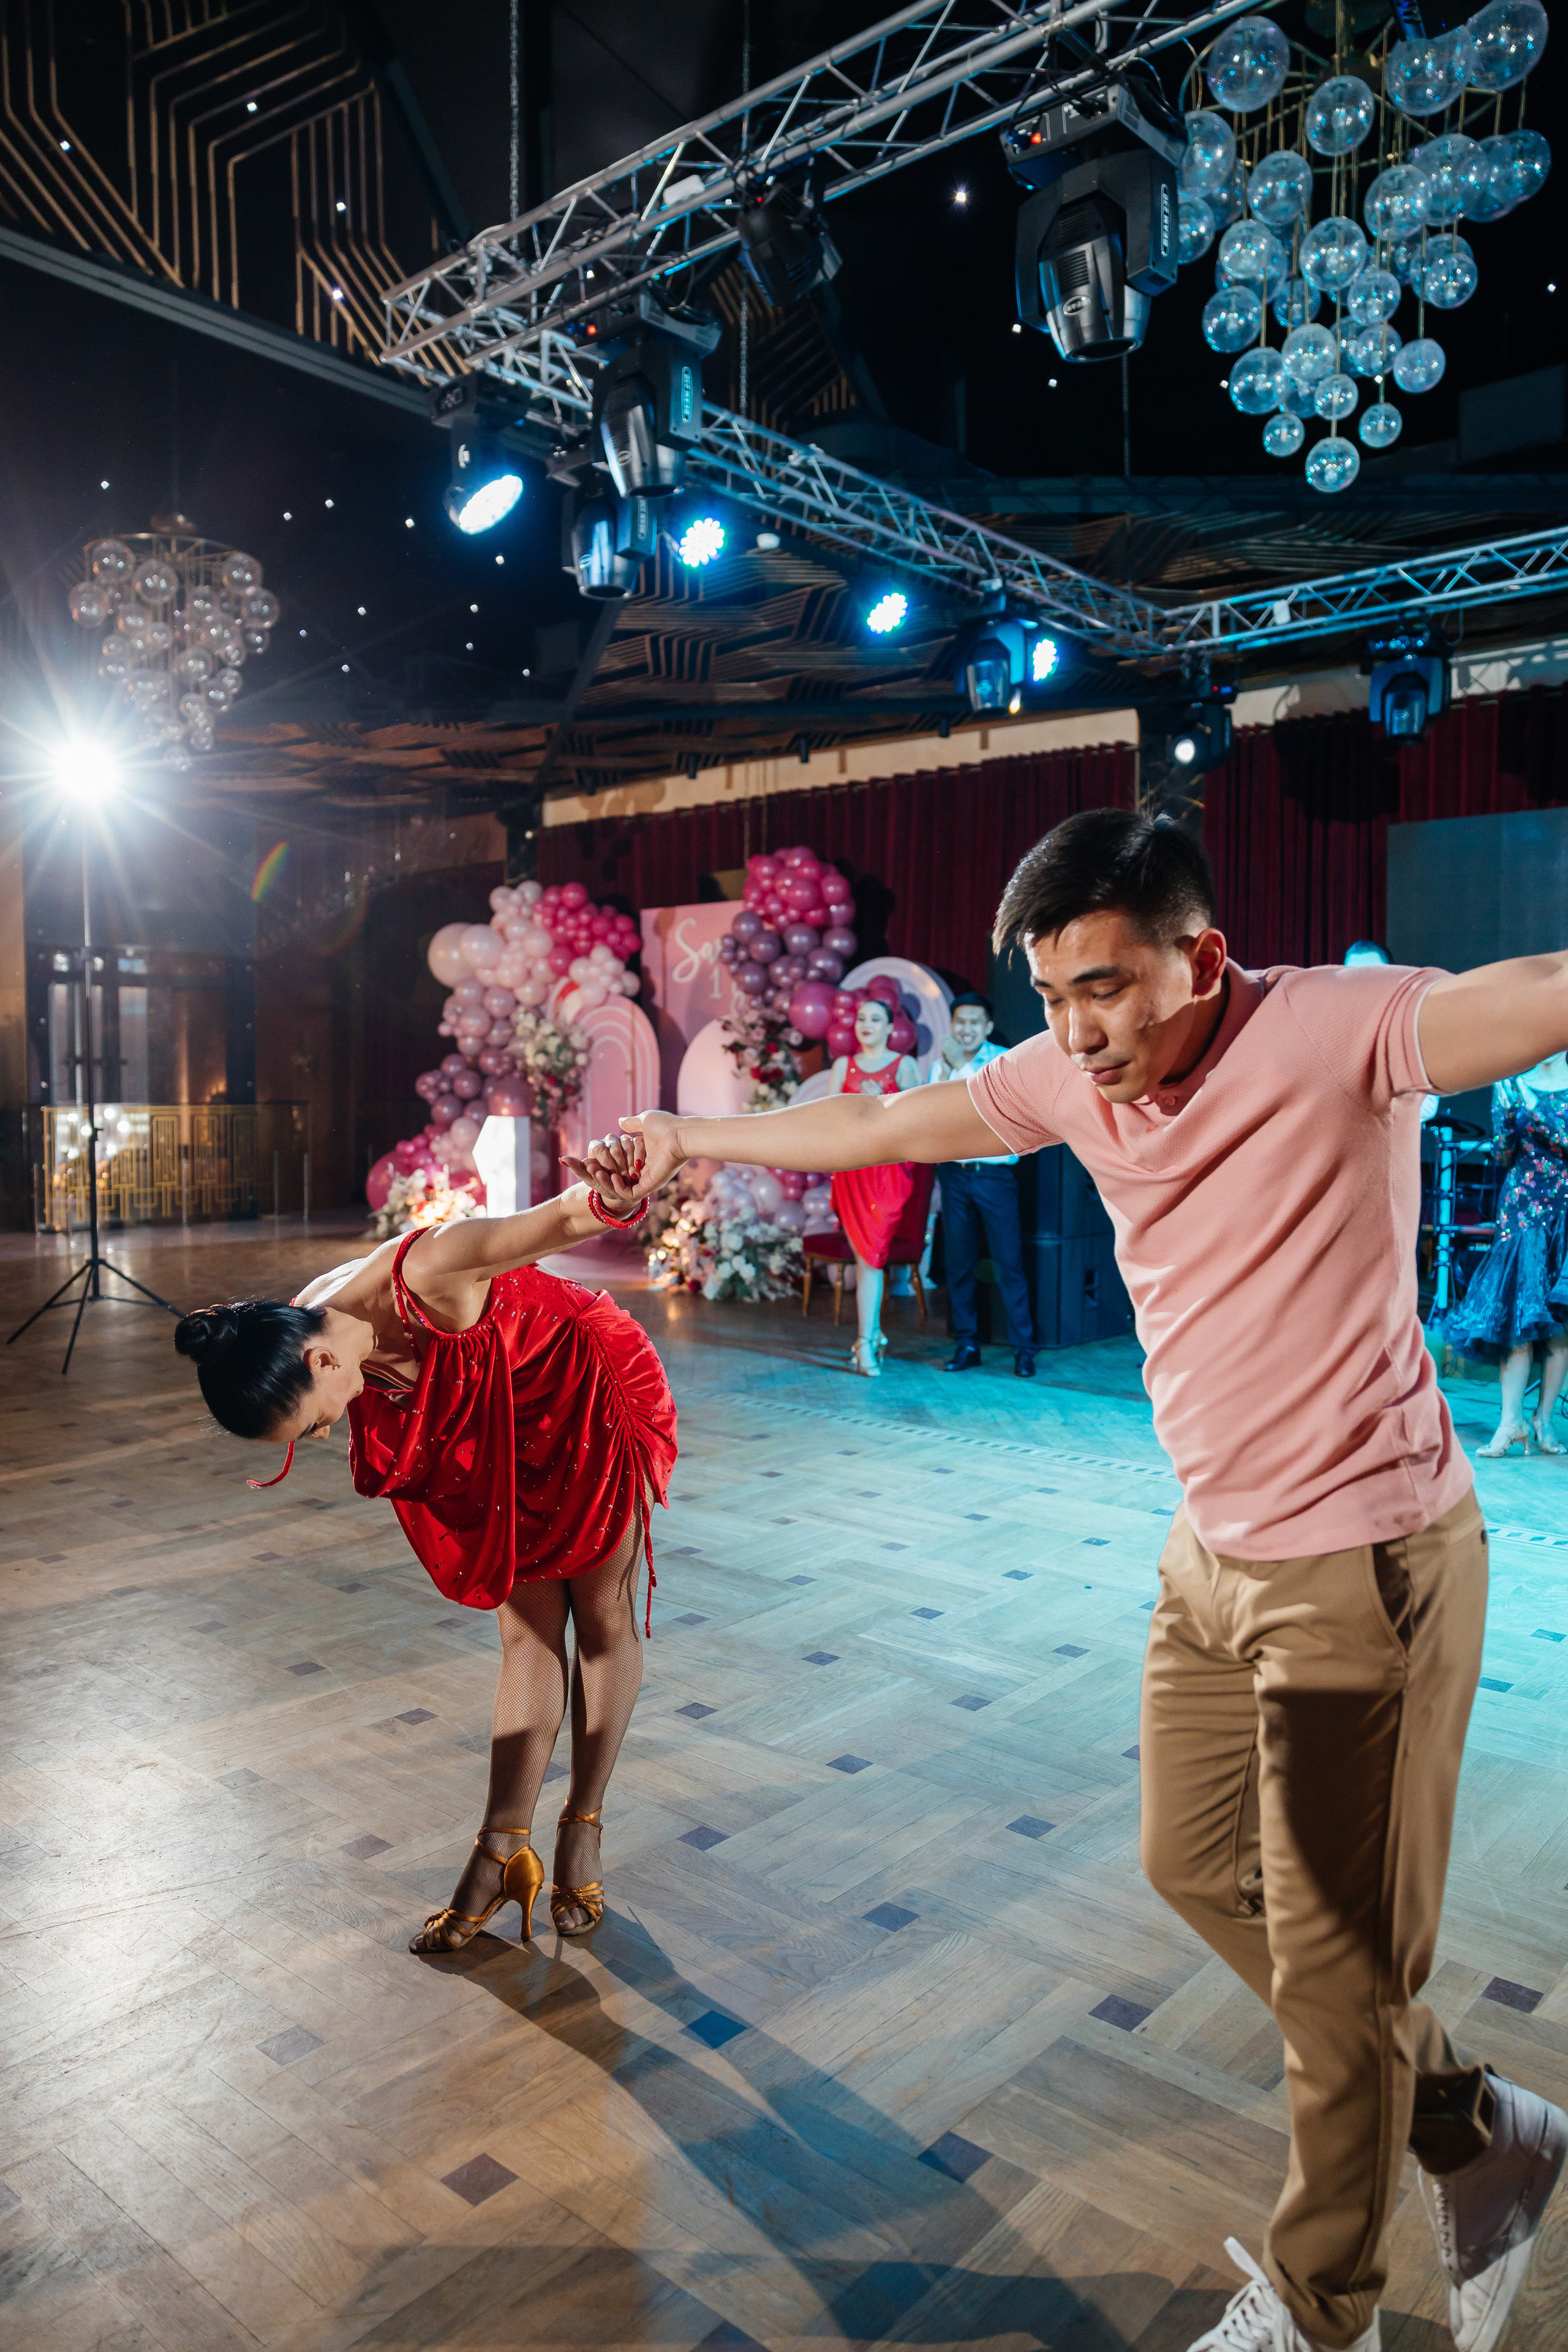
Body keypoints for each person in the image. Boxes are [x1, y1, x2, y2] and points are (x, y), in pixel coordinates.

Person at [587, 807, 1568, 2352]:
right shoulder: (1063, 1072)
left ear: (1201, 956)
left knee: (1332, 1965)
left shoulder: (1331, 1028)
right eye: (1051, 995)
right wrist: (686, 1139)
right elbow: (893, 1125)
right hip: (1208, 1549)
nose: (1077, 1031)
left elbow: (1525, 987)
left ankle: (1326, 2308)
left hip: (1360, 1564)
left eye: (1105, 987)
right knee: (1187, 1861)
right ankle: (1471, 2119)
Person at [174, 1167, 674, 1952]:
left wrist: (613, 1188)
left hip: (579, 1392)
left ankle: (584, 1824)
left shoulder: (429, 1267)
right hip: (504, 1423)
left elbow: (556, 1223)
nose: (326, 1436)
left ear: (322, 1366)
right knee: (528, 1633)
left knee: (601, 1618)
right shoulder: (312, 1323)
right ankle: (501, 1848)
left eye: (311, 1426)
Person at [1446, 1050, 1568, 1457]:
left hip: (1563, 1213)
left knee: (1559, 1327)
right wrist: (1512, 1117)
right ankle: (1510, 1422)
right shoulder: (1512, 1083)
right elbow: (1501, 1154)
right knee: (1517, 1320)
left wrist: (1541, 1116)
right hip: (1521, 1213)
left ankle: (1544, 1420)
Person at [926, 992, 1037, 1378]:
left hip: (994, 1176)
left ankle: (1024, 1349)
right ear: (952, 1025)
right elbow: (935, 1115)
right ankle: (967, 1344)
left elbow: (983, 1111)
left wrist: (958, 1069)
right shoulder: (939, 1065)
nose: (966, 1029)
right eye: (960, 1022)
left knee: (1008, 1263)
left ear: (988, 1026)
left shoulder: (1001, 1061)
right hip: (955, 1175)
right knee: (958, 1263)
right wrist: (948, 1070)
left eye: (975, 1022)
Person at [826, 992, 920, 1377]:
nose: (866, 1025)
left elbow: (917, 1120)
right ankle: (868, 1338)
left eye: (875, 1019)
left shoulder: (905, 1065)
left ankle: (867, 1340)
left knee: (872, 1255)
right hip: (851, 1171)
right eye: (861, 1018)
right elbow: (829, 1118)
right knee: (866, 1258)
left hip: (887, 1174)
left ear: (891, 1027)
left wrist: (879, 1105)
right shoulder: (842, 1065)